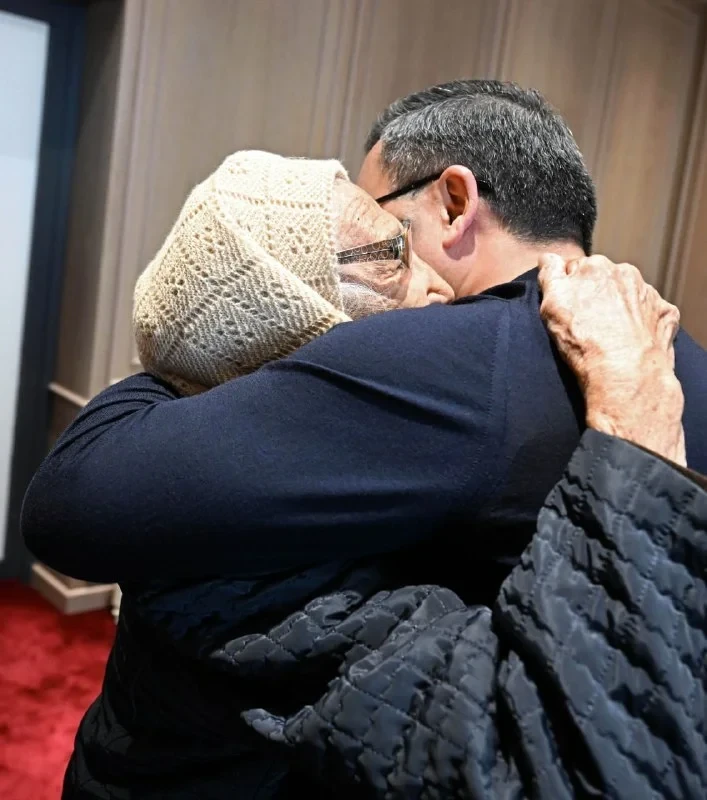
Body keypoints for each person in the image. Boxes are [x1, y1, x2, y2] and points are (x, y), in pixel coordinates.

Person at [21, 81, 707, 797]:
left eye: (388, 227)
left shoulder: (438, 357)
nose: (420, 281)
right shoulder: (673, 355)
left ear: (454, 202)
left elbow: (75, 499)